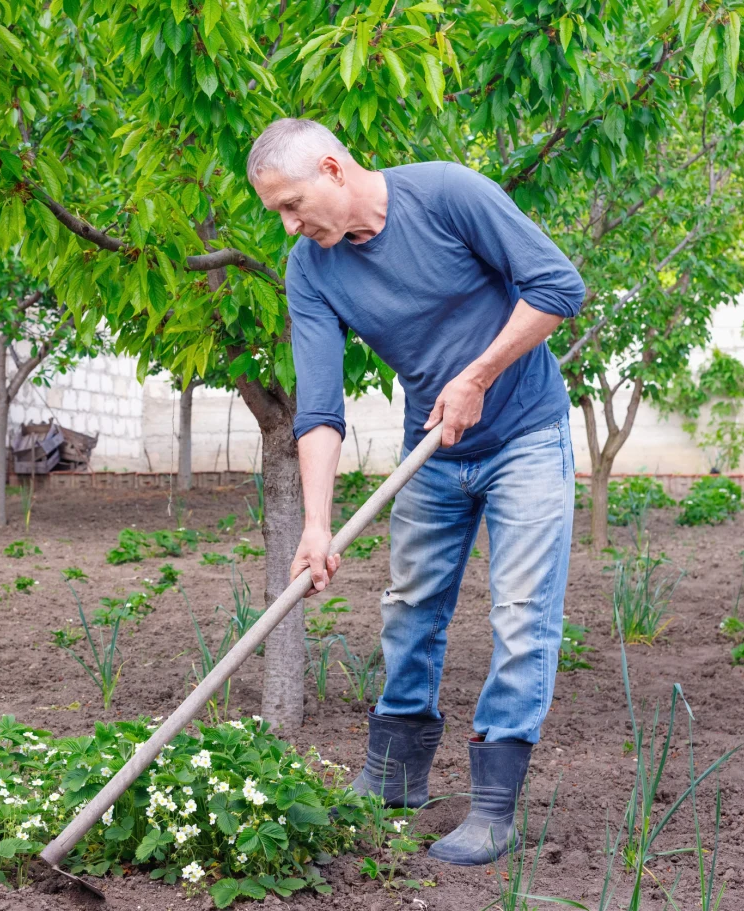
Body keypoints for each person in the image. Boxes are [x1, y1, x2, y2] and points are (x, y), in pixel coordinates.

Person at [246, 119, 585, 866]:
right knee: (409, 606)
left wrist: (478, 375)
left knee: (522, 613)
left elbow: (560, 286)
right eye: (278, 213)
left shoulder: (447, 194)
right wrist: (316, 524)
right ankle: (396, 774)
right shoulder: (311, 268)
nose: (290, 225)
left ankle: (492, 807)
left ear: (333, 169)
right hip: (431, 448)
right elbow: (320, 408)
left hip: (525, 434)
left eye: (292, 205)